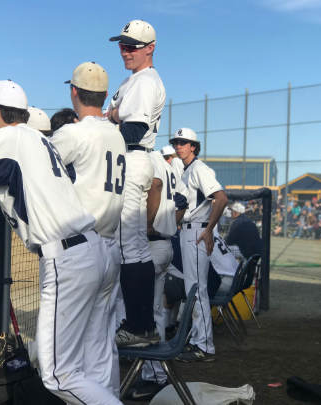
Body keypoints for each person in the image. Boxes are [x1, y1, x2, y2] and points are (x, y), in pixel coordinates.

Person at [0, 80, 121, 405]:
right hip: (96, 250)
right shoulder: (37, 137)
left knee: (59, 375)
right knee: (97, 361)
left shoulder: (9, 136)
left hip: (67, 259)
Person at [51, 62, 126, 398]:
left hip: (83, 249)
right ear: (106, 94)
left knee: (64, 363)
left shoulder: (74, 132)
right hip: (111, 246)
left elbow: (36, 167)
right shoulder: (117, 135)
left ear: (74, 92)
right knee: (100, 345)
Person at [107, 20, 166, 346]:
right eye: (123, 44)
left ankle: (140, 326)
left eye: (133, 45)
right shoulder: (135, 80)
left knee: (131, 248)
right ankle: (142, 325)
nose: (125, 50)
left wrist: (104, 130)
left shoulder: (145, 81)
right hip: (133, 160)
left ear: (150, 48)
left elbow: (135, 130)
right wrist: (113, 117)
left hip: (133, 157)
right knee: (135, 247)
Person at [126, 149, 188, 400]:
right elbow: (182, 201)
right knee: (155, 311)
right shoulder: (167, 164)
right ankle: (154, 375)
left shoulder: (148, 160)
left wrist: (150, 223)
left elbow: (155, 186)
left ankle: (155, 376)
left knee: (146, 312)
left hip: (152, 244)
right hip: (164, 244)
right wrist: (169, 225)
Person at [170, 127, 228, 362]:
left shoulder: (199, 168)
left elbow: (221, 198)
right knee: (192, 290)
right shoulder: (187, 170)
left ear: (194, 146)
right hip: (188, 231)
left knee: (197, 289)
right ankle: (197, 341)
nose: (178, 146)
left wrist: (209, 229)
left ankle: (204, 347)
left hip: (196, 231)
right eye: (176, 142)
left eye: (184, 142)